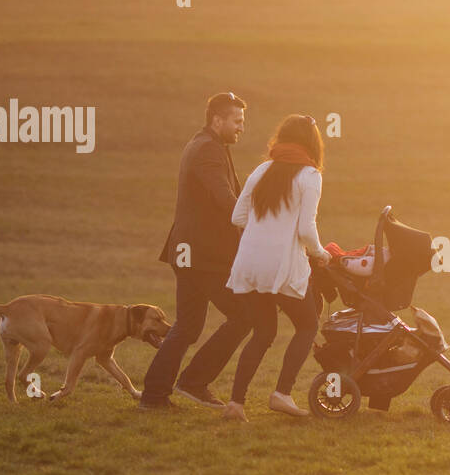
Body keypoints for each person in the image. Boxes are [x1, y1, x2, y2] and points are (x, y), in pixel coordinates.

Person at [139, 92, 254, 411]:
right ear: (218, 120)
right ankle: (193, 382)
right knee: (243, 316)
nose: (241, 128)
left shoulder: (206, 144)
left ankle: (156, 395)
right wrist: (254, 225)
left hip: (191, 253)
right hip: (202, 256)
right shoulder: (208, 151)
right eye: (237, 121)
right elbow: (225, 199)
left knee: (188, 327)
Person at [223, 114, 331, 422]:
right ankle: (282, 393)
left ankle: (235, 403)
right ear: (312, 142)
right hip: (283, 265)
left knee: (263, 332)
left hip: (249, 264)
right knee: (308, 325)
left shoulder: (262, 170)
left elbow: (237, 217)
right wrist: (321, 253)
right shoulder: (310, 176)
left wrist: (264, 229)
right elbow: (306, 229)